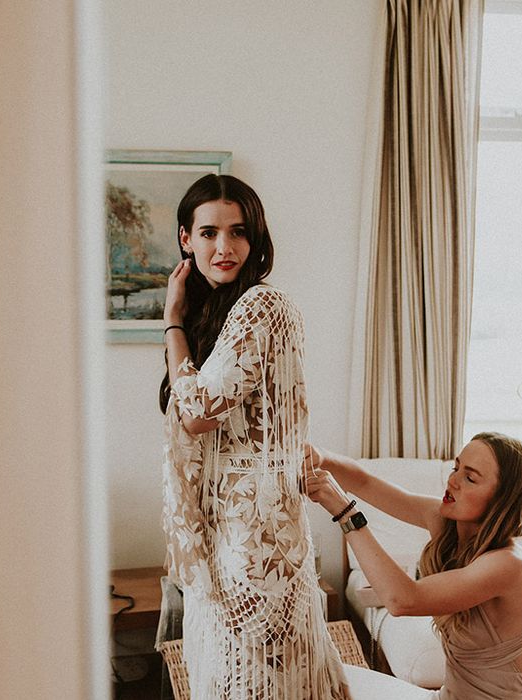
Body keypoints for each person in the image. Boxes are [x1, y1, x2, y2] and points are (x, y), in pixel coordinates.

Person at [158, 173, 349, 699]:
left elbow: (197, 413)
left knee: (260, 686)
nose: (225, 247)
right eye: (209, 232)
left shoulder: (262, 307)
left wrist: (170, 320)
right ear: (185, 239)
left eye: (238, 232)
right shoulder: (214, 315)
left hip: (254, 543)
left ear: (256, 237)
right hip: (223, 537)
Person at [304, 433, 522, 700]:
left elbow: (402, 600)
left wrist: (346, 513)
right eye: (456, 468)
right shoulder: (447, 525)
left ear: (503, 500)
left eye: (470, 477)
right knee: (317, 674)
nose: (452, 481)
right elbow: (366, 482)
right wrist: (321, 456)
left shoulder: (509, 565)